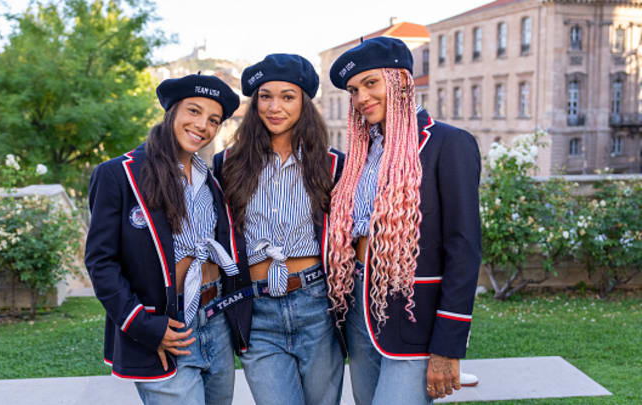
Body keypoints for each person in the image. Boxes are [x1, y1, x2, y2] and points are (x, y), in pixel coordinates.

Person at [326, 37, 481, 404]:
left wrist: (448, 346)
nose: (361, 97)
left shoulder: (448, 144)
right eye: (354, 90)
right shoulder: (362, 154)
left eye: (370, 83)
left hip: (415, 319)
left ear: (401, 81)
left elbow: (464, 249)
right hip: (359, 314)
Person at [85, 73, 250, 405]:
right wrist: (145, 326)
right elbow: (100, 262)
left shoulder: (212, 180)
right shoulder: (118, 175)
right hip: (165, 327)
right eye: (193, 111)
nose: (202, 125)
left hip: (215, 322)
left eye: (213, 120)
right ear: (172, 111)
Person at [212, 54, 345, 405]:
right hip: (257, 311)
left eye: (287, 96)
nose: (275, 107)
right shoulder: (226, 165)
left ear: (304, 102)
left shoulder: (333, 165)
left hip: (316, 305)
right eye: (265, 96)